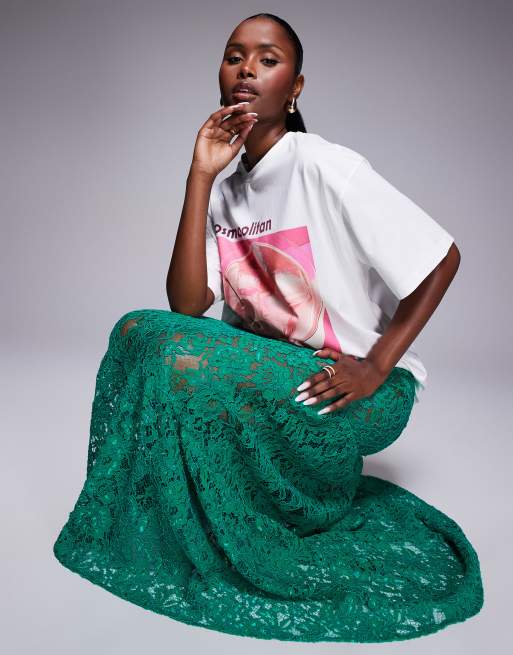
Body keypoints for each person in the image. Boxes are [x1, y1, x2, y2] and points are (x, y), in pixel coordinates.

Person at [53, 13, 484, 643]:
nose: (247, 69)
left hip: (351, 390)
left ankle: (280, 507)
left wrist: (377, 366)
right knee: (137, 333)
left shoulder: (324, 165)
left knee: (175, 353)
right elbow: (186, 304)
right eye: (235, 56)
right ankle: (184, 509)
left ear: (295, 87)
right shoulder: (226, 188)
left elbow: (442, 258)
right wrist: (201, 175)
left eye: (268, 59)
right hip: (274, 379)